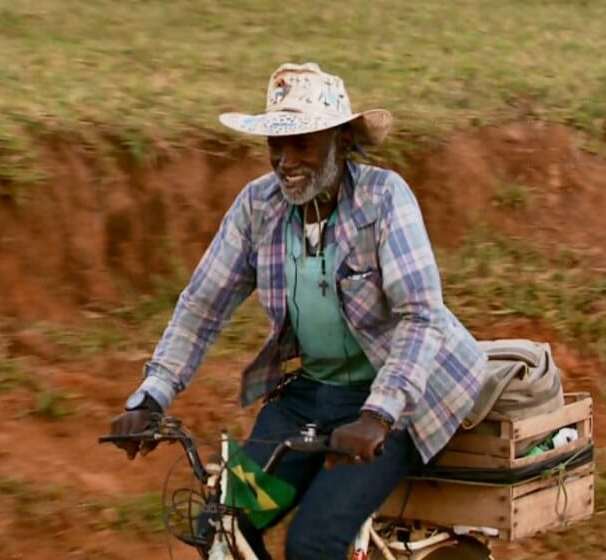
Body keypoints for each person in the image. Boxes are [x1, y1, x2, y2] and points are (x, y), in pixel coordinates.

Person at [109, 62, 488, 560]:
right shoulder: (258, 208)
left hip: (399, 399)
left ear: (341, 141)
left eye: (303, 144)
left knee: (313, 543)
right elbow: (202, 306)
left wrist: (379, 414)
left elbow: (421, 315)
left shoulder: (383, 199)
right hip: (310, 397)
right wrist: (151, 397)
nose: (286, 161)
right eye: (276, 145)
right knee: (222, 528)